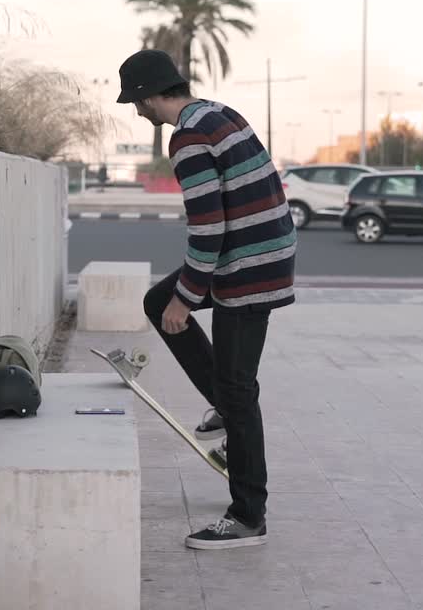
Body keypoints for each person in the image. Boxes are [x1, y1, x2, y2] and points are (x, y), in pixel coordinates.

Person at [115, 49, 296, 550]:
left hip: (246, 262)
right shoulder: (219, 113)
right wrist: (178, 297)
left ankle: (247, 516)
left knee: (239, 389)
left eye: (136, 102)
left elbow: (208, 226)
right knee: (159, 301)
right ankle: (221, 404)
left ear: (151, 95)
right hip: (264, 249)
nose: (137, 112)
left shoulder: (189, 137)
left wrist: (188, 298)